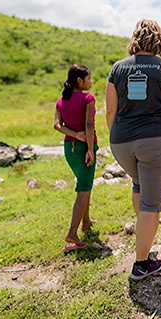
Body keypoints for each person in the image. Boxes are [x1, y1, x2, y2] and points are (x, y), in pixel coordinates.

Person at [106, 19, 161, 280]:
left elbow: (111, 110)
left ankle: (144, 245)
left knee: (138, 186)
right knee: (151, 204)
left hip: (121, 141)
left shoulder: (117, 68)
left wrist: (116, 136)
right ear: (160, 41)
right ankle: (141, 264)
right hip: (154, 140)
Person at [54, 64, 98, 252]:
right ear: (80, 80)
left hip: (68, 148)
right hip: (83, 148)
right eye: (88, 78)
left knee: (83, 184)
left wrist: (72, 134)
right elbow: (89, 125)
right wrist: (89, 148)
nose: (90, 82)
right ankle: (72, 233)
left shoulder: (61, 100)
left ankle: (86, 222)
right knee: (84, 189)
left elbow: (57, 125)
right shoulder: (88, 98)